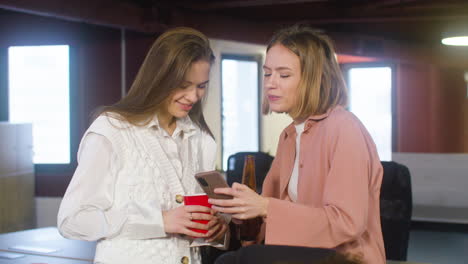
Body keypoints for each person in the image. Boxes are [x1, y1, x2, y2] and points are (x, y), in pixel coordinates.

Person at [209, 24, 386, 264]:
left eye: (283, 75)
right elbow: (270, 214)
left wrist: (266, 207)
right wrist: (241, 212)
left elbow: (346, 222)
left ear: (313, 80)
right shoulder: (289, 135)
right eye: (267, 73)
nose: (271, 83)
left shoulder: (345, 130)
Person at [57, 27, 228, 264]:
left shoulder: (202, 141)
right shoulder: (112, 130)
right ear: (158, 78)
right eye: (183, 85)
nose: (193, 96)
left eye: (201, 86)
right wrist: (160, 220)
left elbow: (200, 220)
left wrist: (217, 227)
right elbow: (72, 220)